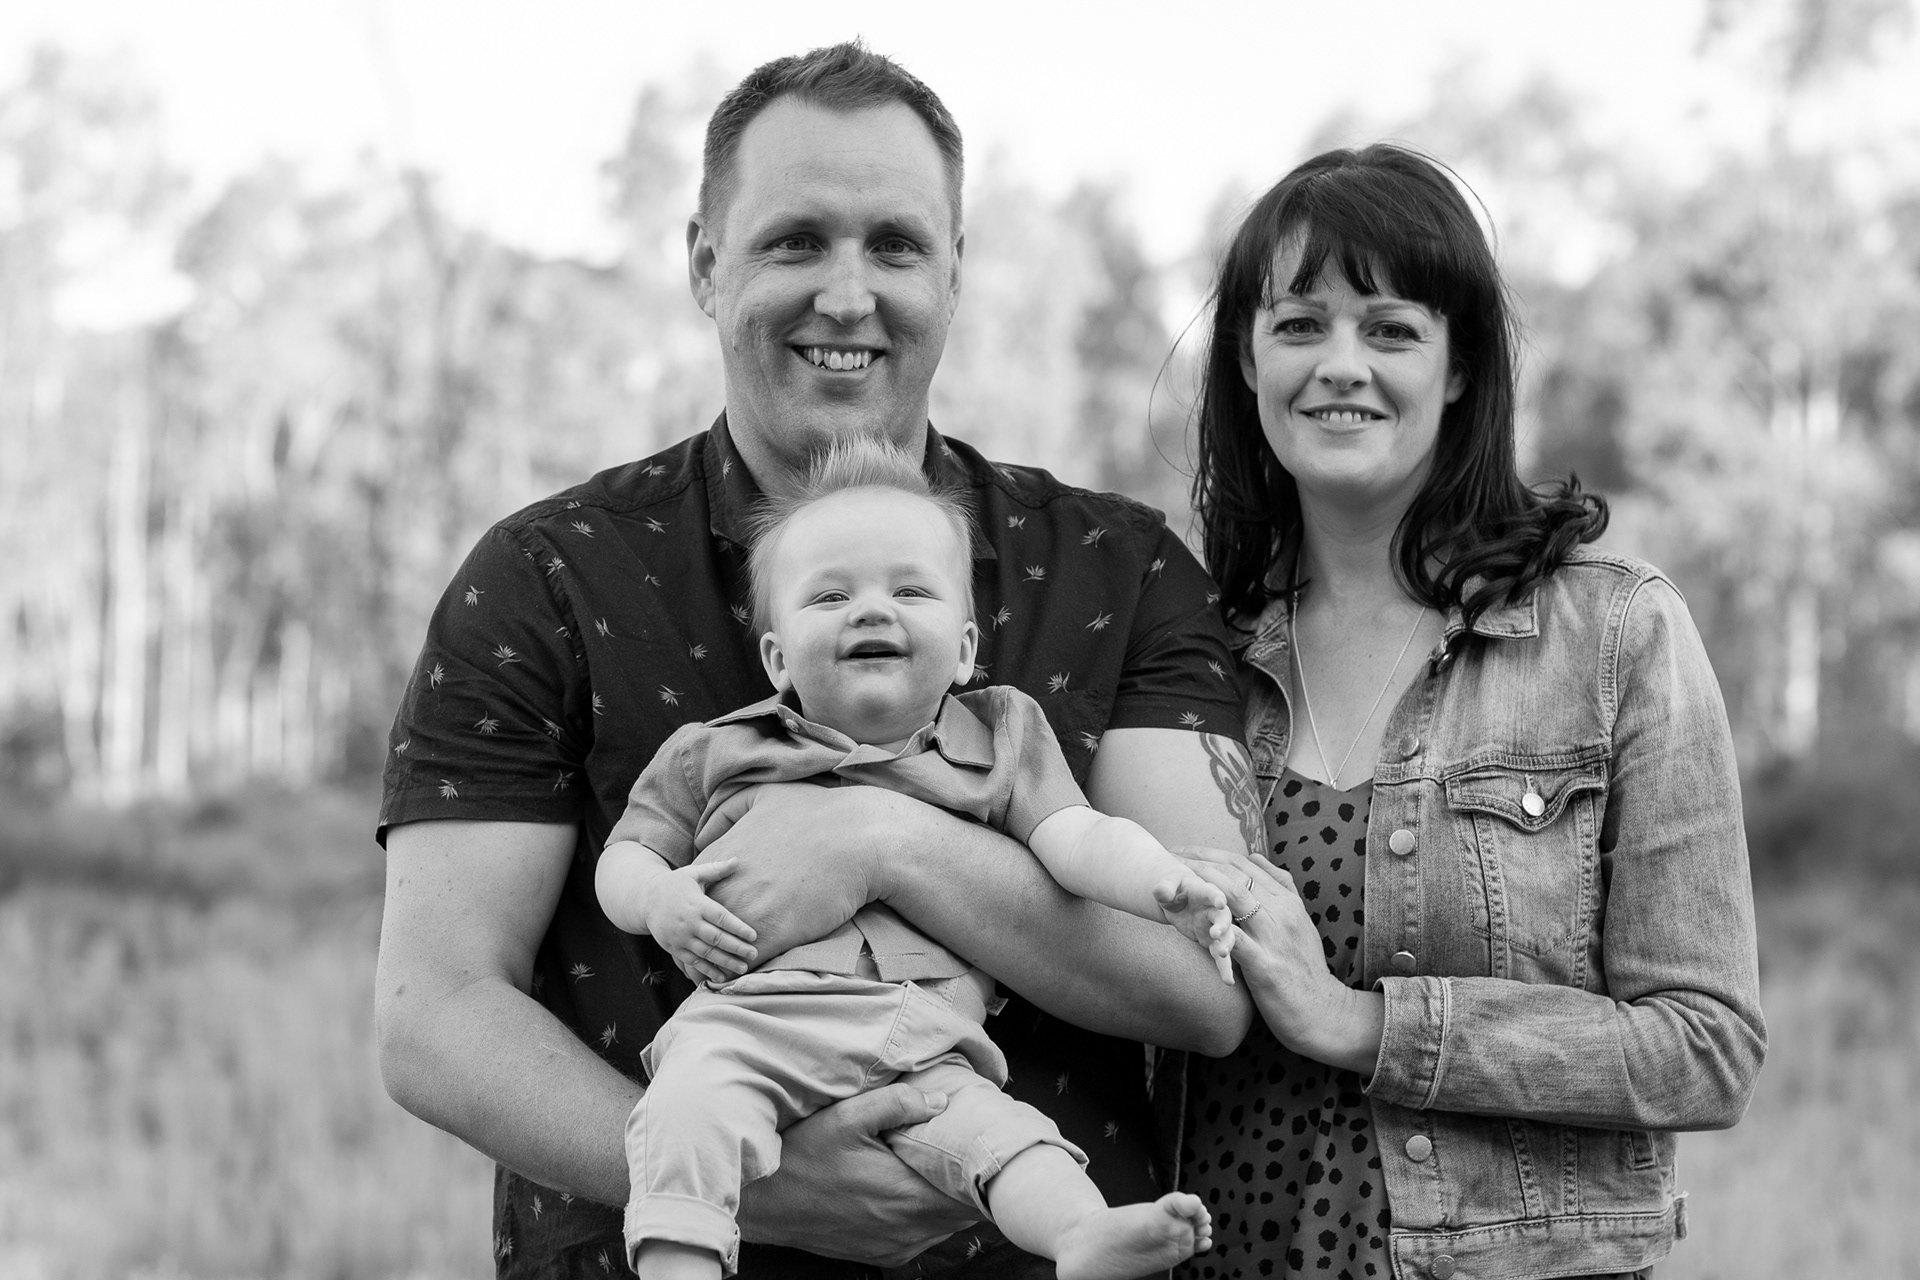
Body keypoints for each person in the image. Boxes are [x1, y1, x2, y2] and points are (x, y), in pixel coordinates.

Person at [374, 41, 1258, 1280]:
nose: (848, 296)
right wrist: (758, 1188)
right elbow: (432, 1013)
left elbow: (1209, 990)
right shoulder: (546, 577)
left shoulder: (1120, 569)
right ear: (704, 263)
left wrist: (886, 840)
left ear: (956, 271)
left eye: (895, 245)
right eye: (796, 241)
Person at [1176, 144, 1767, 1280]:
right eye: (1298, 324)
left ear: (1458, 369)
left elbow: (1705, 1047)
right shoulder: (1191, 651)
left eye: (1390, 329)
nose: (1339, 365)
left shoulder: (1615, 635)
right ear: (1248, 361)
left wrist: (1362, 1023)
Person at [602, 438, 1225, 1280]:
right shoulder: (714, 752)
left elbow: (1078, 839)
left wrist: (1160, 883)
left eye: (910, 590)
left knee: (1008, 1140)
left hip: (925, 1039)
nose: (871, 610)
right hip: (754, 1023)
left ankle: (1080, 1233)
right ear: (778, 659)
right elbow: (626, 859)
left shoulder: (1001, 739)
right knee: (684, 1110)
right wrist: (658, 899)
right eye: (831, 595)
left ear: (965, 649)